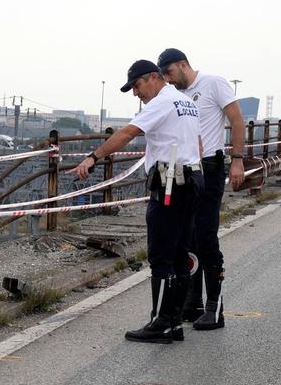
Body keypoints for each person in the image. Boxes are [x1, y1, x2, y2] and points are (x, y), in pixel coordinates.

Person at [70, 60, 203, 344]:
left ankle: (161, 323)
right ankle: (174, 322)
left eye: (137, 86)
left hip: (170, 183)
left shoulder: (162, 102)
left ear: (153, 78)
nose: (136, 94)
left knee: (161, 255)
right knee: (180, 255)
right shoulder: (185, 102)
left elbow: (128, 133)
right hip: (191, 181)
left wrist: (93, 157)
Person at [157, 48, 245, 331]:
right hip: (189, 170)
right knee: (188, 237)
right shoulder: (177, 95)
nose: (169, 80)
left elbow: (237, 120)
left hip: (211, 168)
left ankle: (214, 308)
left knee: (206, 237)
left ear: (183, 65)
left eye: (170, 73)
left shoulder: (213, 83)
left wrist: (238, 161)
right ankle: (192, 303)